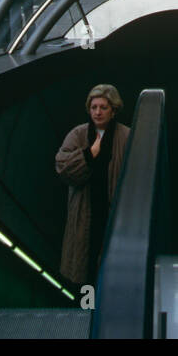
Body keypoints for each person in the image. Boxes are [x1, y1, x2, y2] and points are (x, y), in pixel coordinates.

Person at [55, 84, 131, 285]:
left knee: (112, 268)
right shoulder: (78, 134)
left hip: (113, 212)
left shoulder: (126, 136)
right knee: (85, 266)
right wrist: (89, 155)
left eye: (103, 107)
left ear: (113, 110)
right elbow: (62, 167)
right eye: (94, 107)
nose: (97, 112)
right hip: (85, 212)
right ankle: (87, 308)